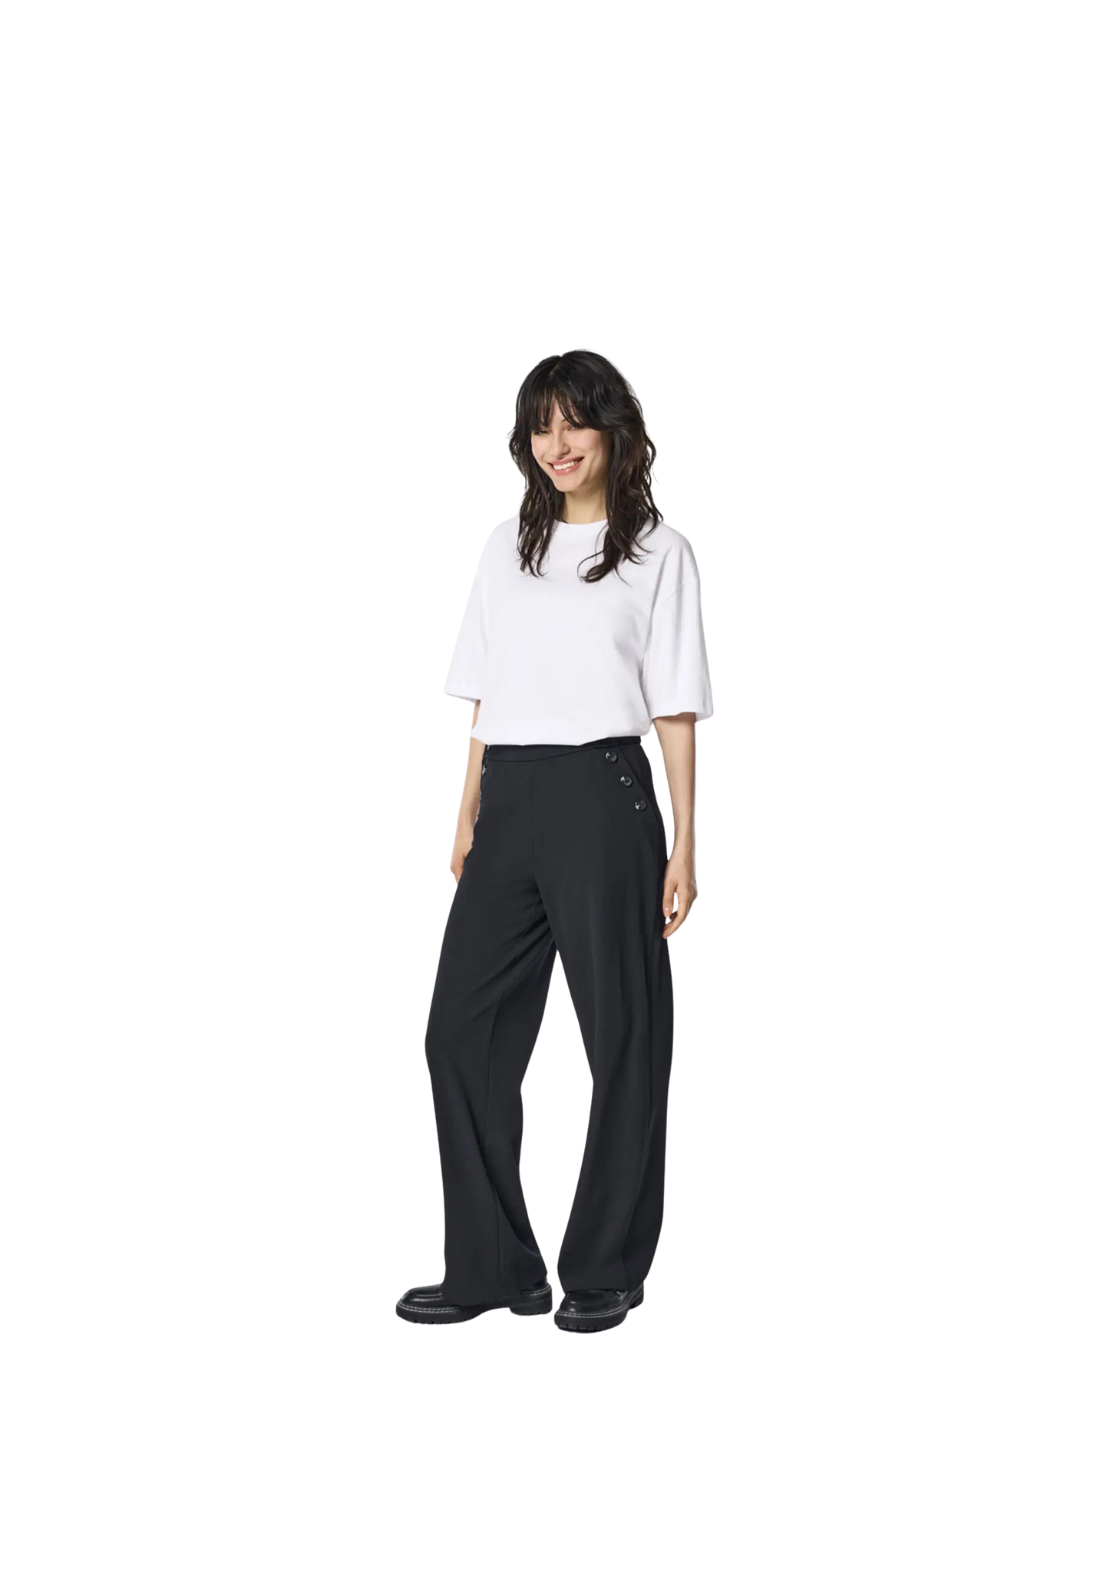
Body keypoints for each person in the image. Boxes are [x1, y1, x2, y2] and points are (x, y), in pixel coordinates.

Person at [396, 349, 714, 1334]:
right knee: (459, 1034)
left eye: (574, 422)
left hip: (604, 795)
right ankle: (495, 1266)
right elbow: (487, 691)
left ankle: (604, 1267)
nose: (556, 443)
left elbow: (673, 707)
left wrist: (685, 842)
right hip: (511, 796)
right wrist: (467, 809)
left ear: (614, 430)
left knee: (623, 1038)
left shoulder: (657, 551)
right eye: (540, 426)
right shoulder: (507, 548)